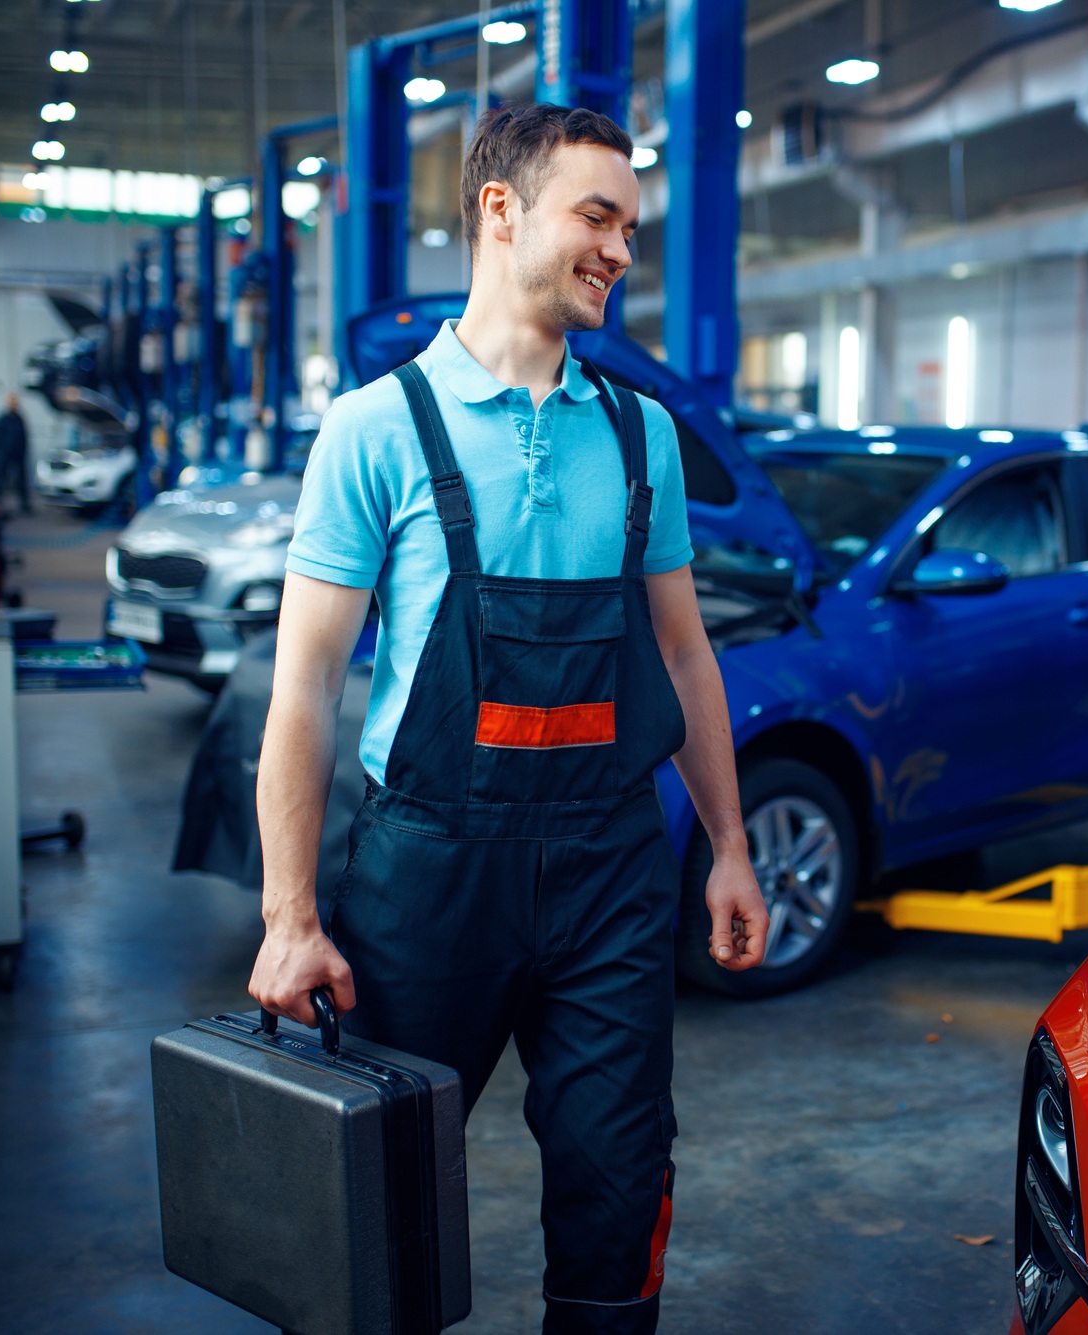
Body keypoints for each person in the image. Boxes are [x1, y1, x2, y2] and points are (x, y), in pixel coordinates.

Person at [247, 104, 769, 1334]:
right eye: (596, 217)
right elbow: (306, 684)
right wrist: (289, 917)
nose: (619, 252)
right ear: (500, 210)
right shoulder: (378, 428)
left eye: (630, 228)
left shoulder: (641, 437)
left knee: (618, 1180)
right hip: (427, 872)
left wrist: (732, 847)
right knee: (373, 1193)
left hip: (609, 874)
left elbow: (686, 661)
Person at [0, 392, 31, 513]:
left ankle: (24, 504)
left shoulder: (19, 418)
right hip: (5, 453)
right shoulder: (3, 419)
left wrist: (23, 450)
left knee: (21, 479)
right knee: (0, 478)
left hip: (18, 453)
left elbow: (24, 436)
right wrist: (0, 450)